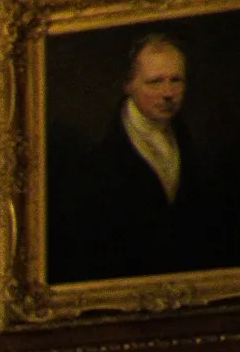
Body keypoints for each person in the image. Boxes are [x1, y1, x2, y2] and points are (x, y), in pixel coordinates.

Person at [49, 32, 221, 283]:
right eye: (154, 82)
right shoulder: (99, 159)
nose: (167, 92)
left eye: (176, 81)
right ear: (129, 84)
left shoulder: (190, 143)